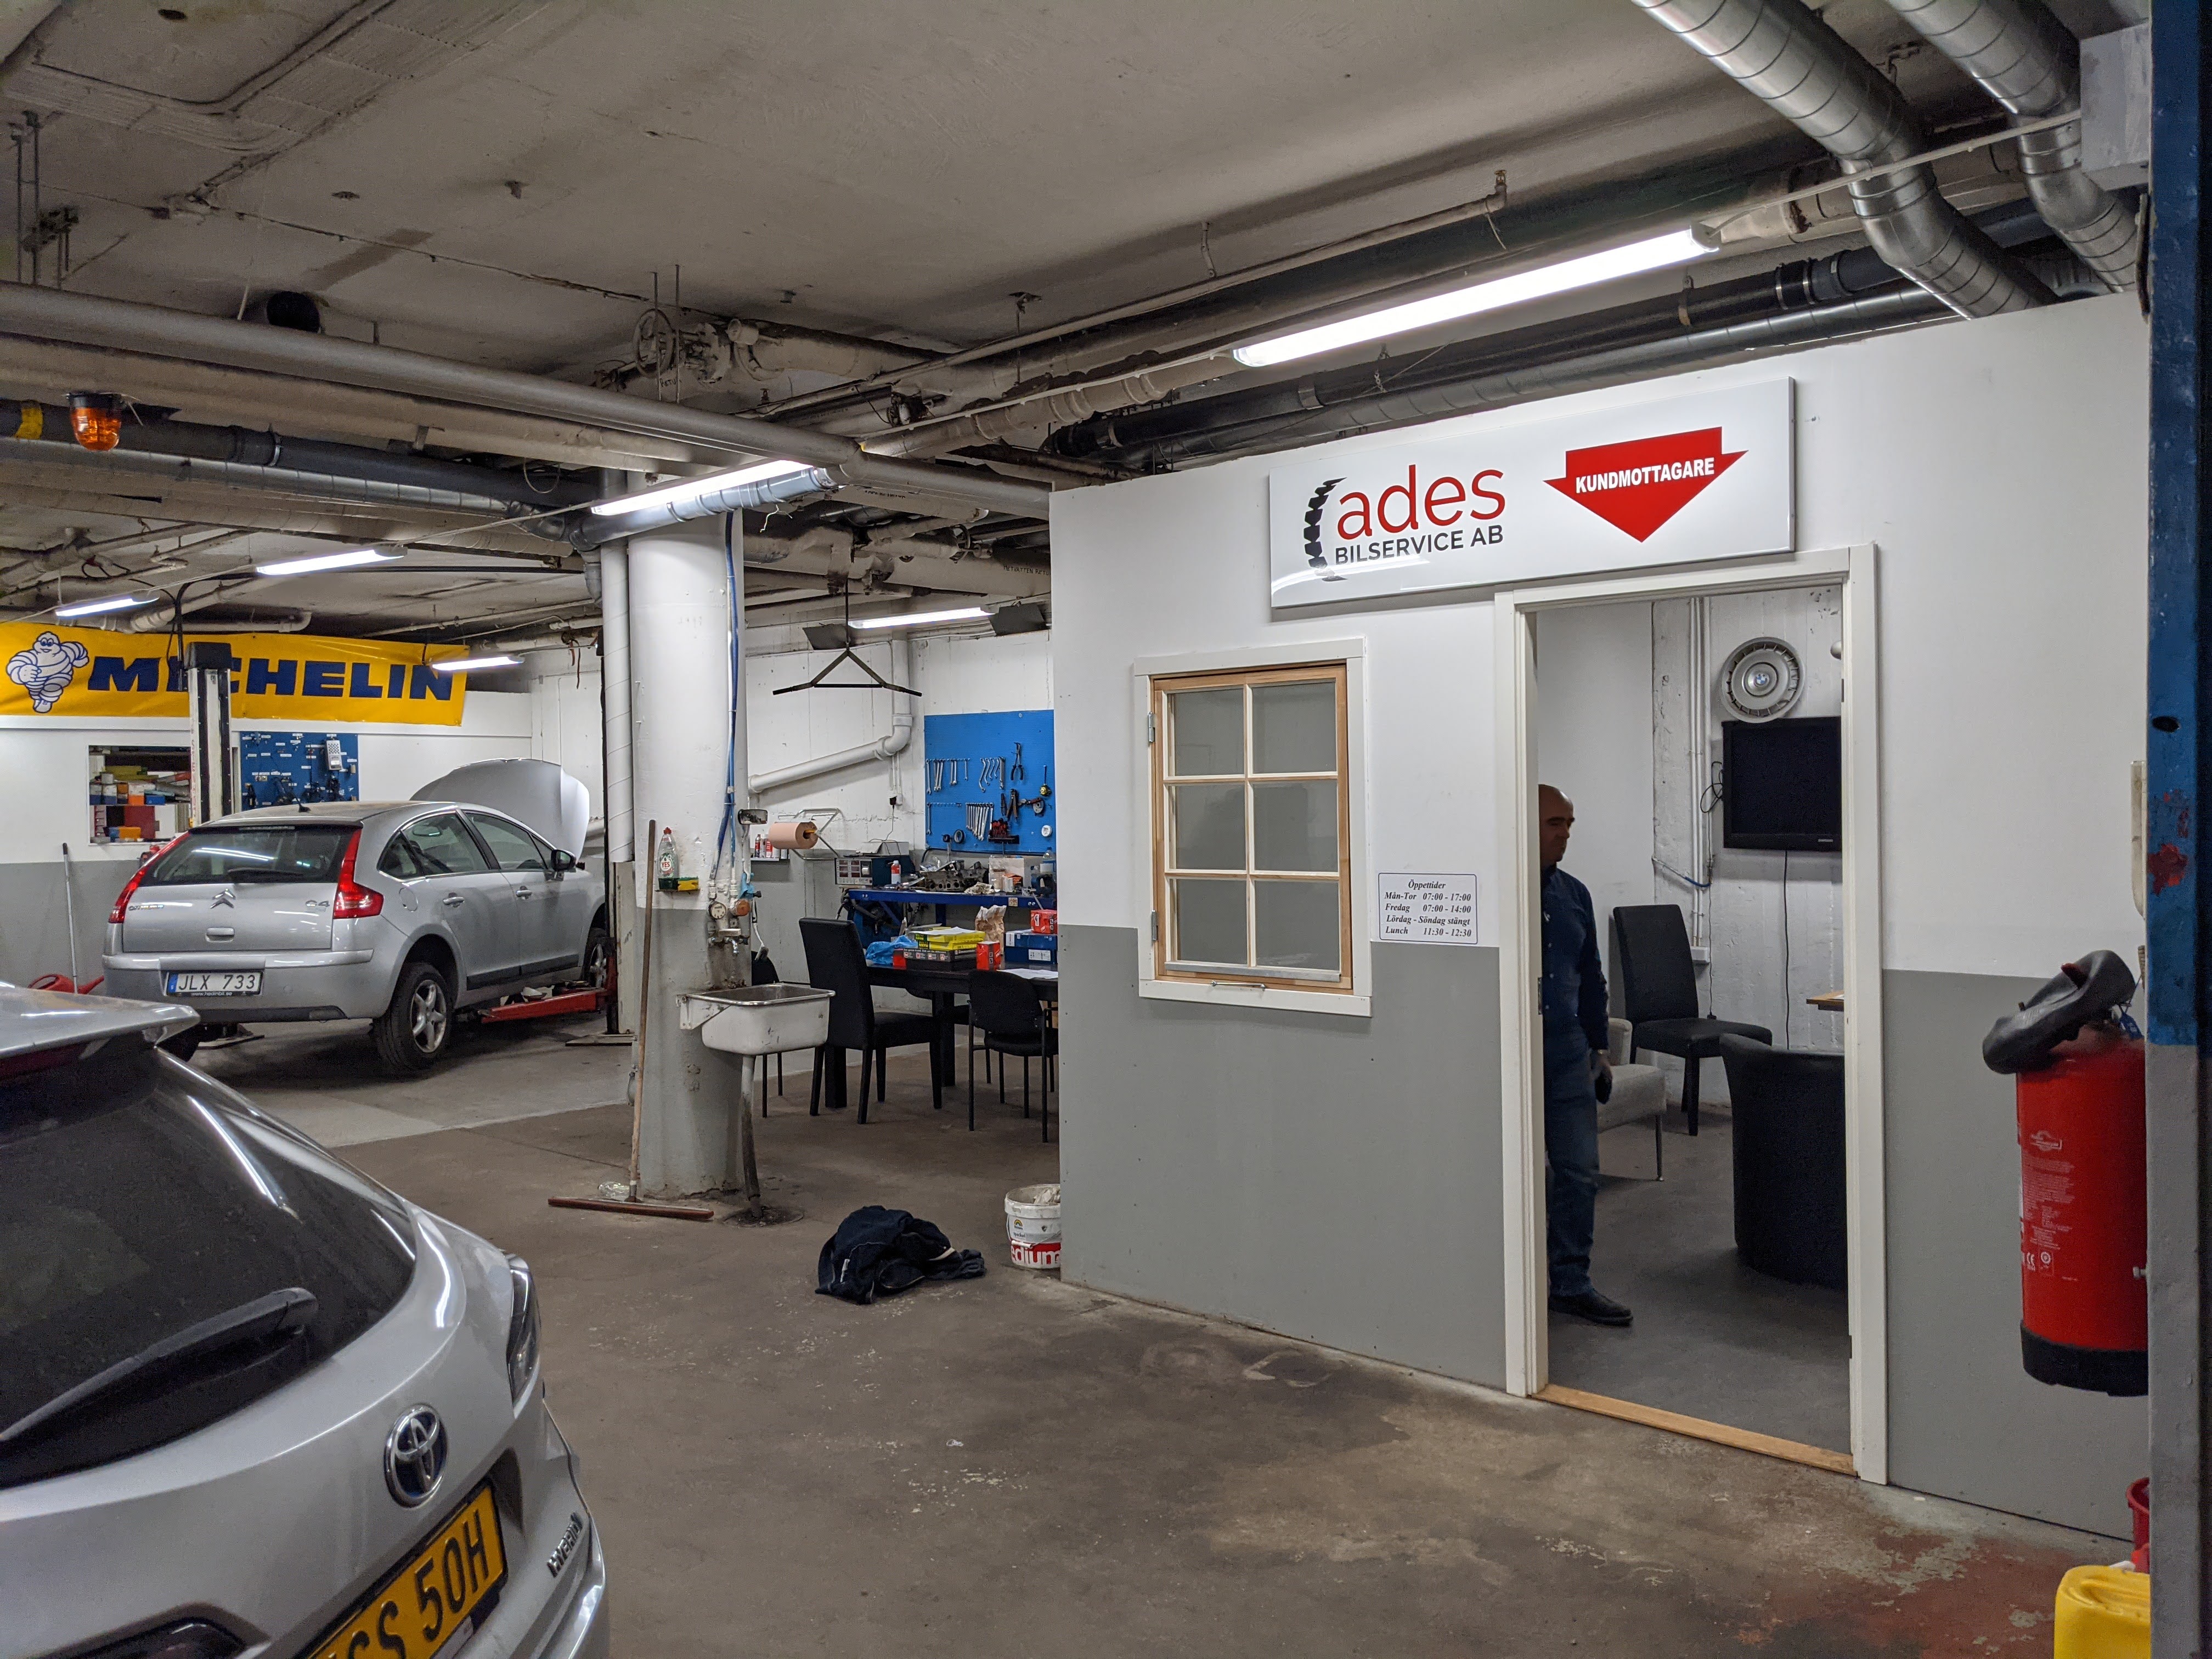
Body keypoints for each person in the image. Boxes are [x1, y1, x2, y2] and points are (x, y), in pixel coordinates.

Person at [1538, 784, 1632, 1328]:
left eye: (1569, 824)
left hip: (1568, 1051)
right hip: (1512, 1049)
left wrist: (1599, 1047)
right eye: (1555, 823)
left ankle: (1571, 1283)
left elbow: (1591, 976)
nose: (1565, 834)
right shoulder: (1503, 891)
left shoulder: (1574, 894)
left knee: (1578, 1170)